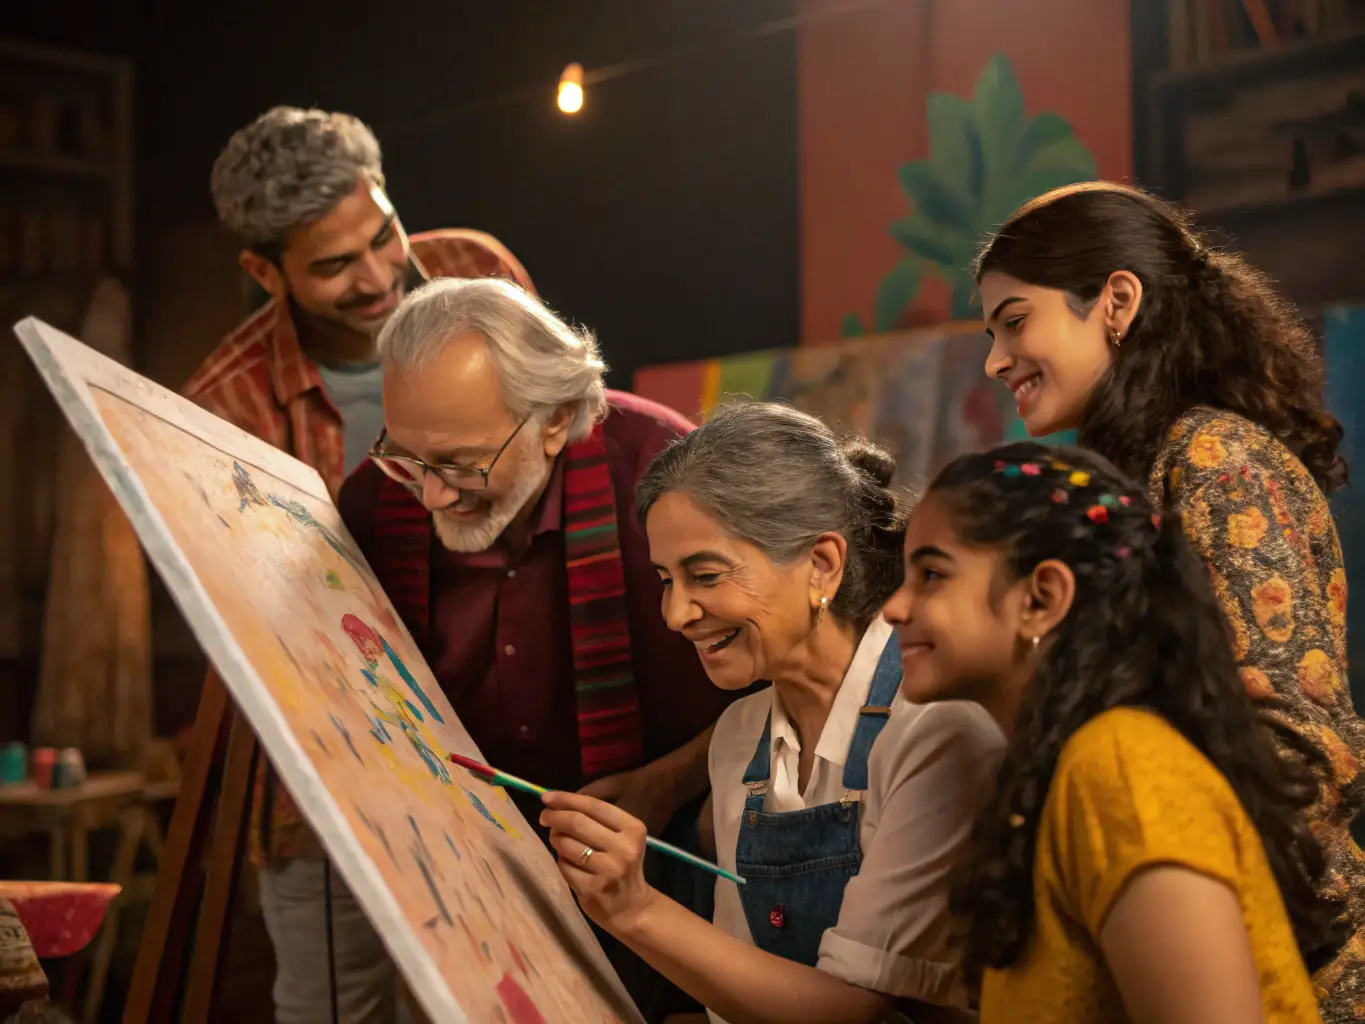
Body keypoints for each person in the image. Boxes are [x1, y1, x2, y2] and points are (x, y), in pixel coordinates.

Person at [975, 181, 1365, 1018]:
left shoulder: (1216, 459)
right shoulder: (1148, 466)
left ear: (1115, 300)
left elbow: (1298, 749)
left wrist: (1172, 901)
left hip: (1277, 957)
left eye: (1014, 321)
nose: (996, 360)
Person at [182, 105, 534, 1024]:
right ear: (264, 272)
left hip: (509, 735)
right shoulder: (224, 403)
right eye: (335, 265)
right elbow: (259, 617)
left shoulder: (477, 272)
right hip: (330, 765)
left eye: (383, 235)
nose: (381, 277)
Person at [336, 276, 737, 1021]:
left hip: (674, 856)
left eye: (461, 464)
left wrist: (666, 783)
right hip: (462, 873)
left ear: (554, 420)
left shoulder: (665, 472)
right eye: (406, 459)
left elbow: (778, 680)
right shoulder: (372, 505)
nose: (429, 498)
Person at [540, 402, 1003, 1024]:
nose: (676, 615)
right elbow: (738, 997)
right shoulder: (739, 737)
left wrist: (634, 909)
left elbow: (853, 1013)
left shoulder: (933, 728)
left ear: (822, 565)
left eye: (704, 575)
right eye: (665, 580)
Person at [880, 441, 1341, 1022]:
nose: (896, 607)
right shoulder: (1058, 768)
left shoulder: (1121, 770)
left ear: (1042, 598)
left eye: (930, 575)